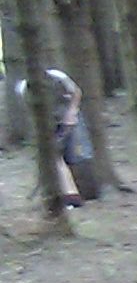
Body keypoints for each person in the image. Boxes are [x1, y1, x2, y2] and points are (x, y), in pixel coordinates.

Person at [15, 68, 83, 208]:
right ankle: (71, 196)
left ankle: (74, 193)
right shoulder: (24, 87)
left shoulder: (57, 76)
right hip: (49, 125)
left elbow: (76, 92)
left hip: (68, 119)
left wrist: (71, 113)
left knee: (71, 157)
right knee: (56, 158)